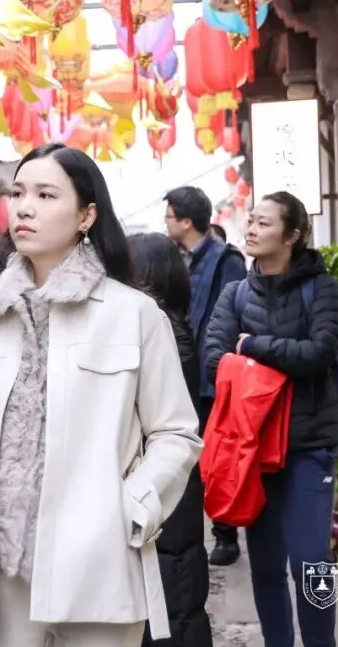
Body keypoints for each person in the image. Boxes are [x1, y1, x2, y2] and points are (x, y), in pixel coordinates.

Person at [0, 144, 203, 647]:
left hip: (98, 561)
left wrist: (131, 507)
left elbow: (175, 433)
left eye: (45, 195)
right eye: (18, 192)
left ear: (87, 216)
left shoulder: (133, 314)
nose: (25, 207)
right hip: (2, 568)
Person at [203, 191, 338, 647]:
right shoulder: (236, 293)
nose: (251, 228)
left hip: (309, 443)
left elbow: (320, 351)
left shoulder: (320, 287)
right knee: (265, 565)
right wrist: (278, 360)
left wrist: (252, 347)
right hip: (254, 446)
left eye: (264, 223)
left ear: (293, 235)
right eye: (251, 220)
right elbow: (214, 359)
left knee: (311, 562)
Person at [128, 232, 212, 647]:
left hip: (164, 488)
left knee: (171, 597)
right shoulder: (171, 327)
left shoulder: (162, 333)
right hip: (169, 486)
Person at [164, 185, 246, 566]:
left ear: (186, 221)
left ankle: (226, 536)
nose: (166, 223)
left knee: (218, 455)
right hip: (186, 369)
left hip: (214, 372)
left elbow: (230, 316)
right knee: (192, 456)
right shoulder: (180, 258)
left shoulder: (226, 259)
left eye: (170, 216)